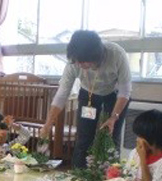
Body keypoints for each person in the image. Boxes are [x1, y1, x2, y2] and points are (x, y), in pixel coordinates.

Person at [39, 30, 132, 168]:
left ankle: (111, 178)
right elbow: (61, 94)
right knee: (83, 138)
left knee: (111, 138)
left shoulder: (117, 54)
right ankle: (78, 177)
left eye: (85, 62)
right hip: (88, 94)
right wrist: (48, 124)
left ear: (96, 55)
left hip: (114, 95)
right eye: (78, 61)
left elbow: (125, 90)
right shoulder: (73, 64)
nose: (81, 65)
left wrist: (113, 117)